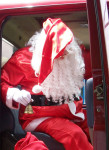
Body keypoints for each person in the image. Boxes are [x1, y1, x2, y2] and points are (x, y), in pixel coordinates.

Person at [1, 18, 93, 150]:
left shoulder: (72, 58)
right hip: (38, 116)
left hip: (71, 112)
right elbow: (3, 81)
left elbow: (98, 63)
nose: (63, 56)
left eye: (66, 51)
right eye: (59, 52)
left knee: (97, 127)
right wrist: (14, 94)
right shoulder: (24, 58)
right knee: (74, 134)